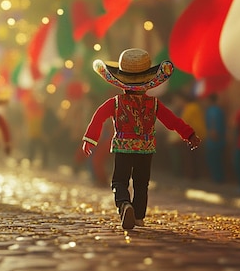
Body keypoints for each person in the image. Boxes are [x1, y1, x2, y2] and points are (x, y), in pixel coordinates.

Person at [81, 48, 200, 230]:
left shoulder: (115, 102)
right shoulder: (154, 104)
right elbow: (173, 121)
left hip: (123, 148)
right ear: (148, 82)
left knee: (119, 181)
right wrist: (189, 135)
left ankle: (124, 204)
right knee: (141, 183)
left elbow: (98, 117)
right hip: (146, 149)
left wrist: (90, 139)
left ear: (121, 82)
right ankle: (138, 216)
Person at [204, 93, 226, 183]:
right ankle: (218, 177)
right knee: (219, 159)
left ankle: (216, 178)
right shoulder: (220, 110)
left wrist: (213, 132)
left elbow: (212, 123)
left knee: (214, 159)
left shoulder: (211, 111)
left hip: (213, 139)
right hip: (220, 138)